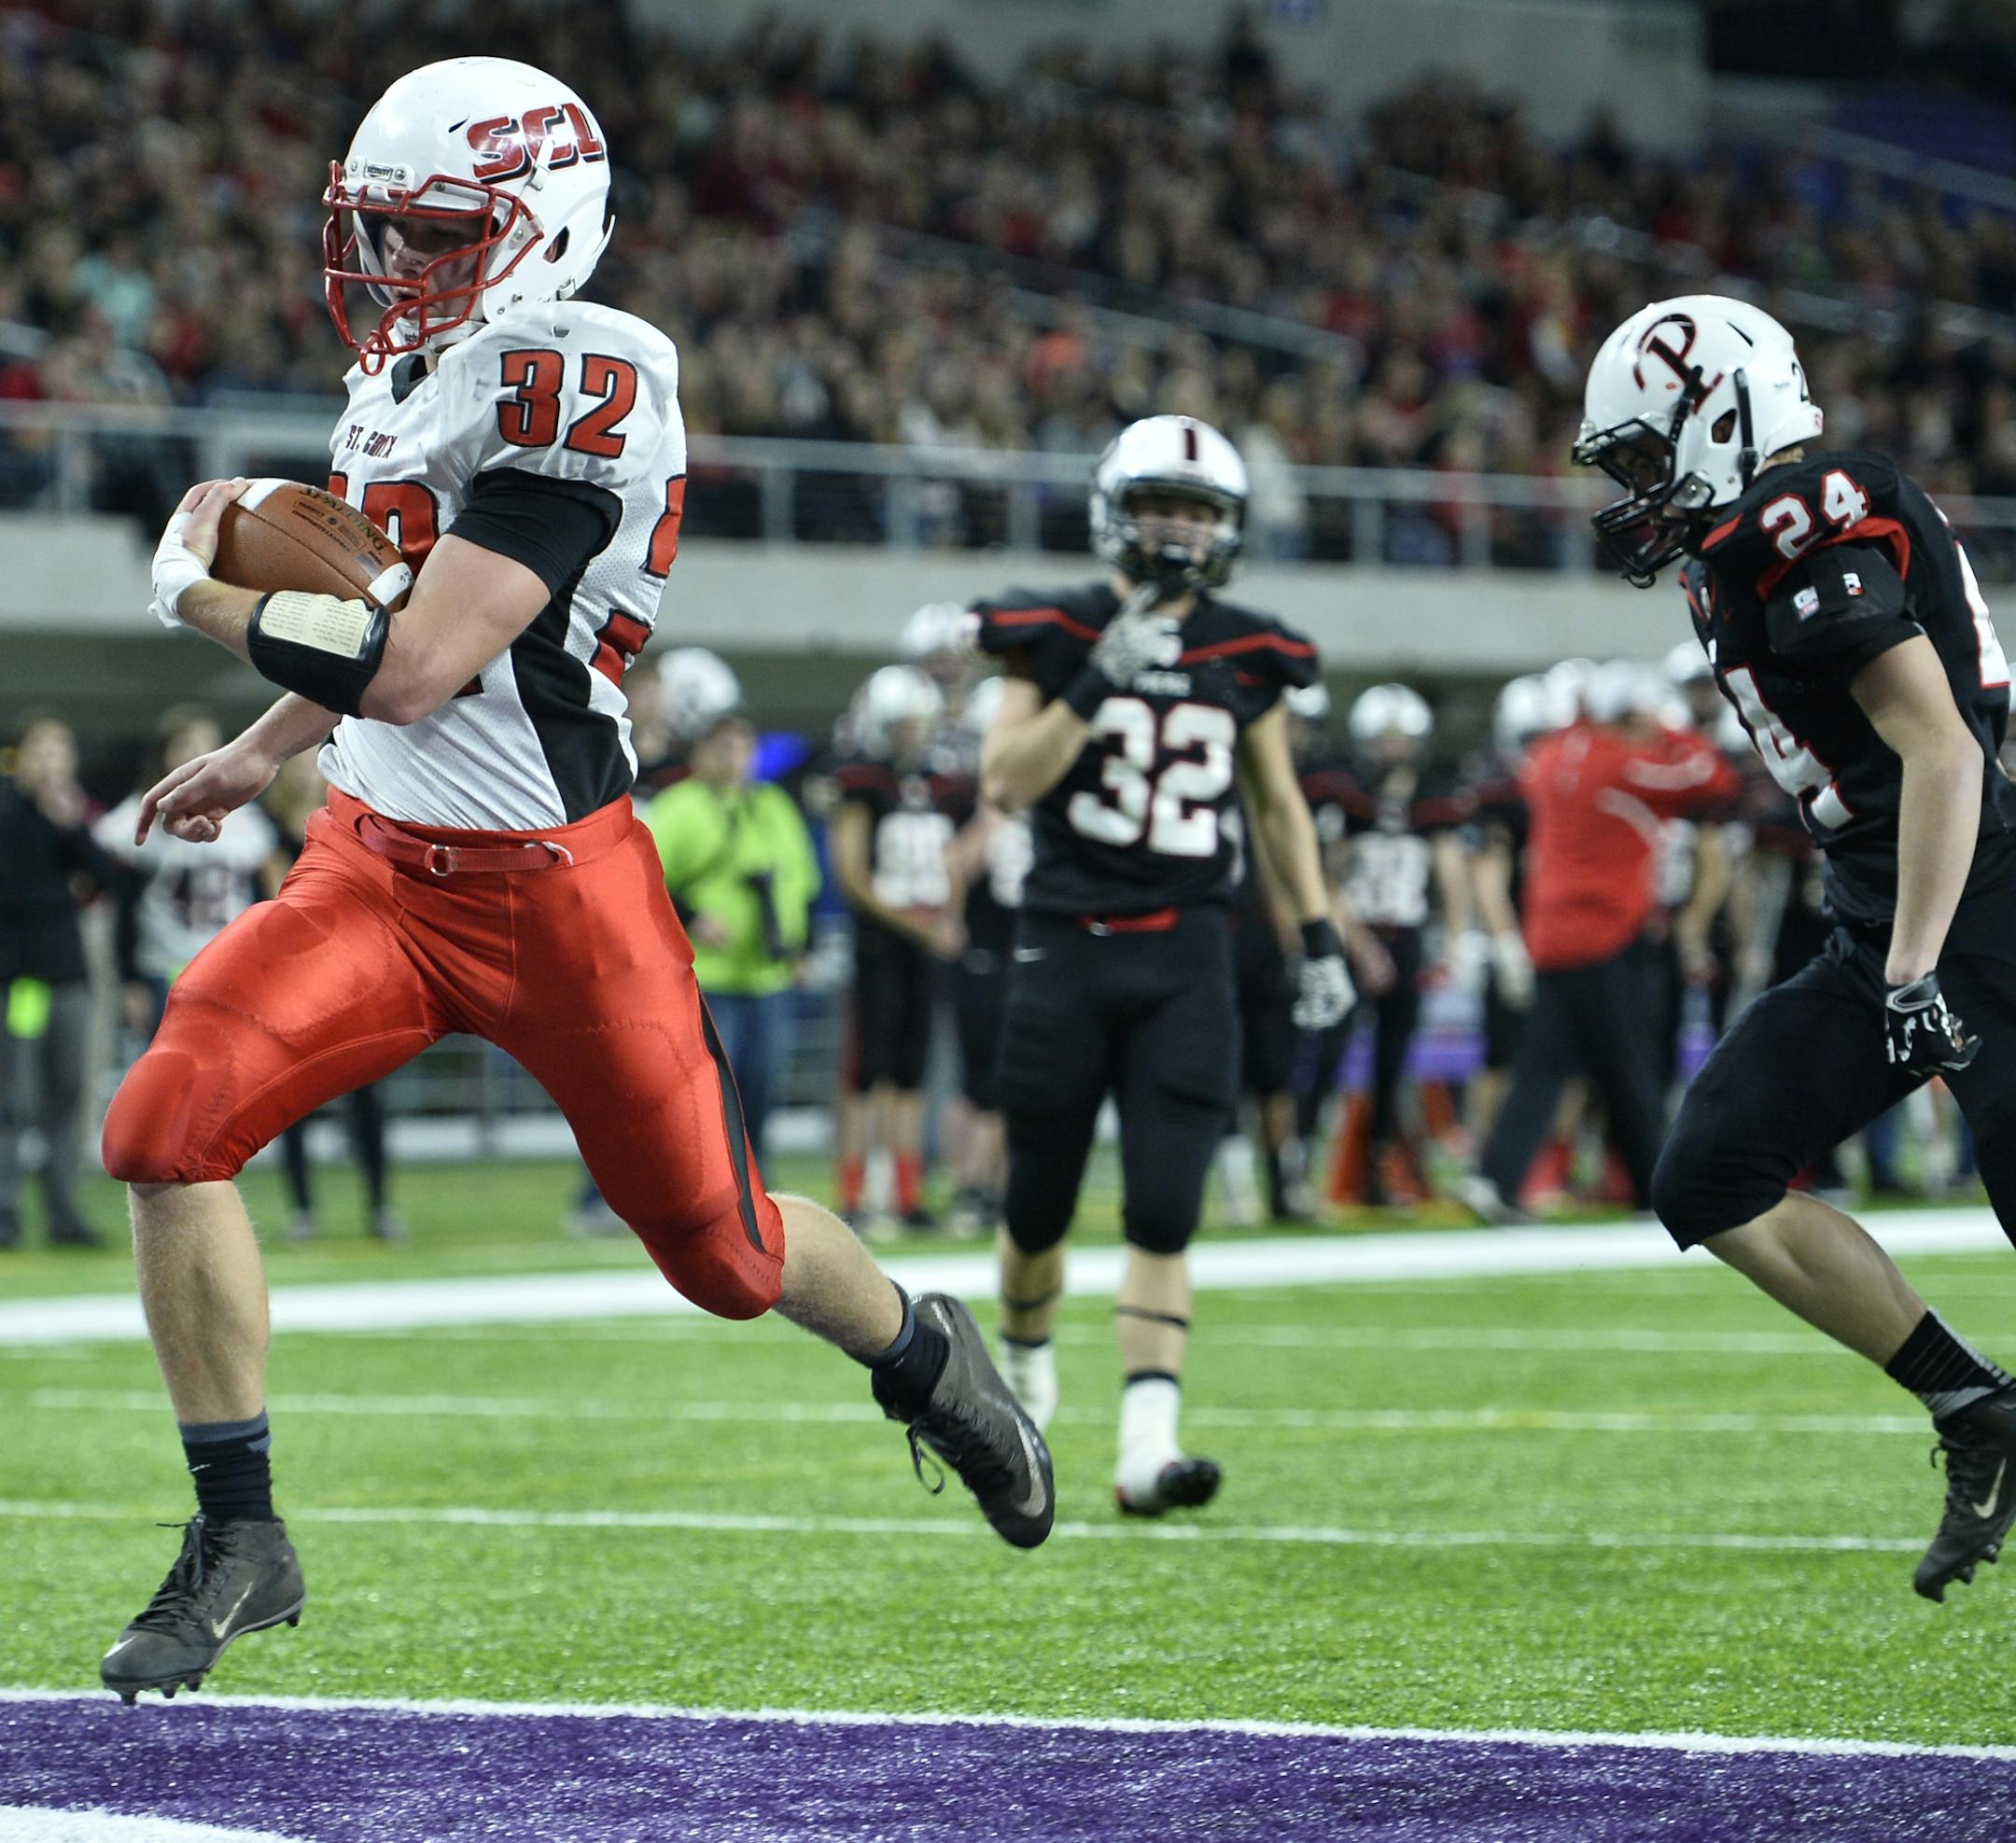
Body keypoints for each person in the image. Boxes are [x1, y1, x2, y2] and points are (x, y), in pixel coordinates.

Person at [95, 56, 1053, 1708]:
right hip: (372, 870)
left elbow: (418, 662)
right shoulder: (410, 374)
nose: (393, 264)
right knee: (162, 1131)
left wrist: (198, 600)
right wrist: (264, 749)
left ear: (540, 230)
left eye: (431, 231)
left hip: (558, 889)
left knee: (725, 1257)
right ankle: (239, 1535)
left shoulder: (584, 375)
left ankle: (922, 1351)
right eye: (379, 229)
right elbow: (374, 636)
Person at [1575, 291, 2016, 1601]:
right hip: (1888, 912)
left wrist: (1916, 964)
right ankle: (1974, 1406)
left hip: (1980, 898)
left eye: (1652, 457)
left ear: (1723, 412)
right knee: (1709, 1169)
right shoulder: (1738, 545)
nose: (1641, 494)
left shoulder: (1802, 507)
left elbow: (1942, 748)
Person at [973, 413, 1353, 1515]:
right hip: (1065, 947)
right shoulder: (1052, 628)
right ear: (1114, 511)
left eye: (1198, 512)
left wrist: (1317, 933)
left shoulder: (1247, 648)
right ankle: (1027, 1388)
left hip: (1190, 952)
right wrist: (1096, 680)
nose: (1177, 530)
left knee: (1166, 1204)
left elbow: (1276, 803)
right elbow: (1007, 780)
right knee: (1037, 1205)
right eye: (1158, 506)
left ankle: (1147, 1444)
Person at [1457, 660, 1737, 1222]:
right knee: (1631, 1066)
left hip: (1549, 934)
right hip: (1608, 933)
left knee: (1542, 1066)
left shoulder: (1547, 758)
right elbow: (1714, 778)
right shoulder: (1625, 765)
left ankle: (1498, 1178)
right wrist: (1665, 727)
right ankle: (1653, 1188)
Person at [643, 694, 821, 1165]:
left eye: (743, 744)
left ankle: (752, 1187)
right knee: (703, 1091)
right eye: (722, 744)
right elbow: (646, 881)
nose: (735, 754)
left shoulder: (772, 804)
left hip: (768, 974)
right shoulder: (681, 806)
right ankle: (700, 1181)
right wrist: (693, 917)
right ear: (699, 752)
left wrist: (803, 946)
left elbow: (802, 880)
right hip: (708, 977)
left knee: (759, 1089)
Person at [829, 664, 969, 1235]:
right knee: (868, 1072)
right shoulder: (864, 784)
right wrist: (921, 926)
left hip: (921, 943)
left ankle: (907, 1195)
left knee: (911, 1072)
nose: (916, 733)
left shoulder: (941, 786)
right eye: (905, 724)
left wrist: (949, 917)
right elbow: (853, 873)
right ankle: (859, 1193)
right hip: (881, 943)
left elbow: (954, 861)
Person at [262, 751, 401, 1244]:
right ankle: (303, 1208)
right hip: (293, 977)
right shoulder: (264, 830)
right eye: (295, 762)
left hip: (350, 973)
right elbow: (275, 898)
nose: (305, 771)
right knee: (292, 1103)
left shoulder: (354, 819)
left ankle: (380, 1204)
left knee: (367, 1098)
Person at [0, 711, 118, 1248]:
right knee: (14, 1099)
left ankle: (65, 1214)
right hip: (22, 982)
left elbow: (107, 879)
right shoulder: (7, 811)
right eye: (41, 750)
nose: (52, 761)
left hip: (69, 977)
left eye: (60, 750)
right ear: (20, 758)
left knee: (70, 1094)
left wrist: (72, 829)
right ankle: (6, 1214)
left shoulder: (69, 816)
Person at [95, 707, 277, 1044]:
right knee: (167, 1069)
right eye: (185, 745)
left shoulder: (249, 822)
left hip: (229, 964)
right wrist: (129, 979)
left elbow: (263, 899)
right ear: (165, 754)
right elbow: (122, 905)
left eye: (206, 744)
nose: (197, 754)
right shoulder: (136, 818)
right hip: (166, 966)